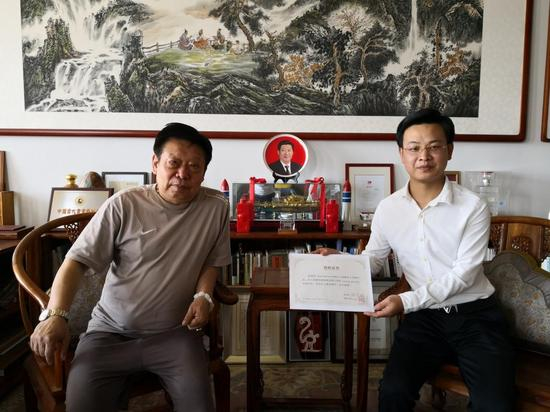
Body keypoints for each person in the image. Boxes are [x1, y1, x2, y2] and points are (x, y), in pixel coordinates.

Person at [315, 109, 515, 411]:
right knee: (392, 393)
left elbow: (464, 275)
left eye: (434, 146)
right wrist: (340, 260)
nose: (424, 156)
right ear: (401, 153)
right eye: (414, 148)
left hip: (476, 318)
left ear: (449, 150)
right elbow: (374, 260)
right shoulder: (388, 208)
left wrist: (405, 301)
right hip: (425, 319)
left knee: (495, 404)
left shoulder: (473, 207)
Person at [29, 123, 231, 412]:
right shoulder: (123, 204)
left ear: (204, 172)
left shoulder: (216, 207)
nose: (182, 174)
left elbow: (212, 259)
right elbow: (75, 262)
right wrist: (56, 314)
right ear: (155, 163)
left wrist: (204, 295)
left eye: (194, 167)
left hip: (176, 334)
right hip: (109, 334)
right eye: (173, 163)